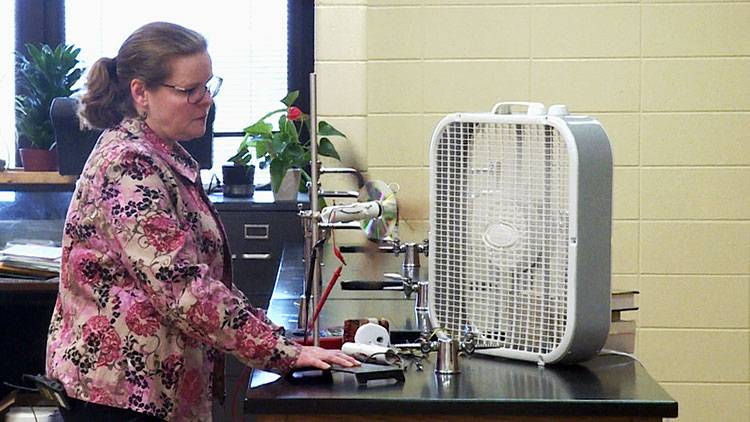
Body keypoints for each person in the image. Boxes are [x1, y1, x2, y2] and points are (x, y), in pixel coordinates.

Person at [45, 22, 358, 421]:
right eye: (189, 90)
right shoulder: (129, 166)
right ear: (140, 93)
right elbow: (184, 291)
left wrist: (278, 338)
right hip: (120, 396)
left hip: (149, 390)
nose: (206, 100)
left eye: (208, 86)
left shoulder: (159, 156)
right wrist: (282, 351)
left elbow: (202, 279)